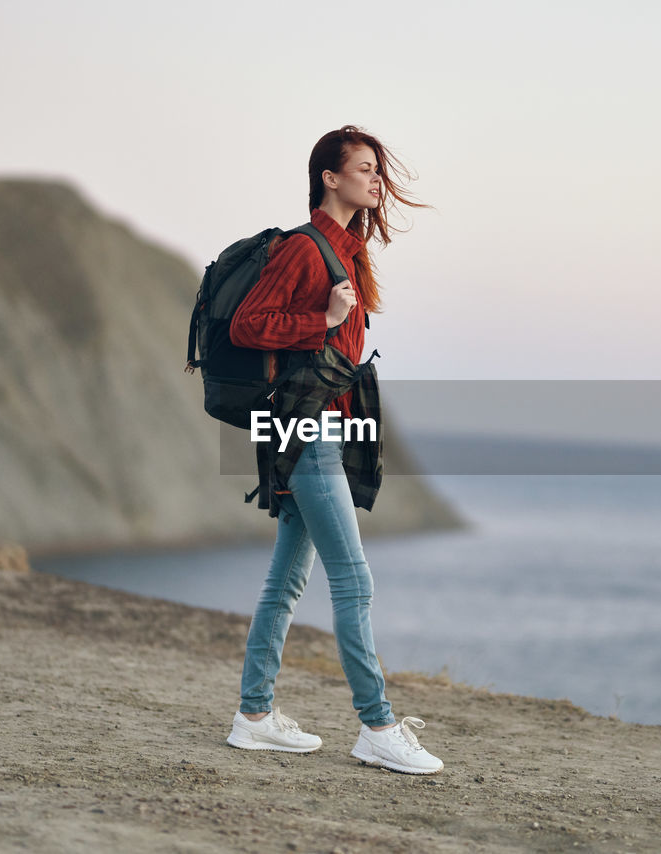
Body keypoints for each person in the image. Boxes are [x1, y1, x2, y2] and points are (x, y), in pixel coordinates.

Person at [223, 126, 443, 775]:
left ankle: (254, 716)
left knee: (287, 580)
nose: (377, 181)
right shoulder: (303, 249)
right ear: (330, 177)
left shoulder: (347, 253)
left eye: (379, 171)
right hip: (305, 429)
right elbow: (247, 325)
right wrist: (317, 320)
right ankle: (376, 726)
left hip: (320, 429)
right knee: (353, 578)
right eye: (366, 169)